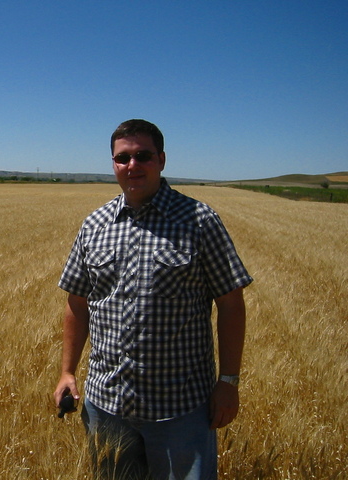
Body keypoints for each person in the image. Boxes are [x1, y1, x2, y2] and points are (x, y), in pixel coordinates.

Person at [53, 119, 252, 479]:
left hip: (180, 408)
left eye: (142, 156)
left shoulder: (199, 221)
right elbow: (77, 304)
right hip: (107, 404)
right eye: (122, 158)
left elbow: (231, 304)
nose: (132, 165)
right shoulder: (94, 225)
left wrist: (229, 381)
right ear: (113, 164)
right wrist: (67, 371)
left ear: (161, 159)